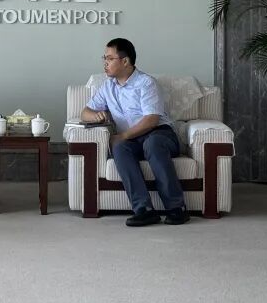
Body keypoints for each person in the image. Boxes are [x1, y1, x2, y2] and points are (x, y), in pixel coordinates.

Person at [80, 38, 189, 227]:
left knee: (151, 144)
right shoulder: (107, 86)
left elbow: (151, 120)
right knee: (119, 148)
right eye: (104, 58)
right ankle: (144, 210)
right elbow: (84, 112)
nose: (105, 63)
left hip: (160, 134)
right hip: (133, 140)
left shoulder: (146, 83)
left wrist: (123, 136)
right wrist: (96, 116)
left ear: (125, 61)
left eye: (109, 58)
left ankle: (176, 208)